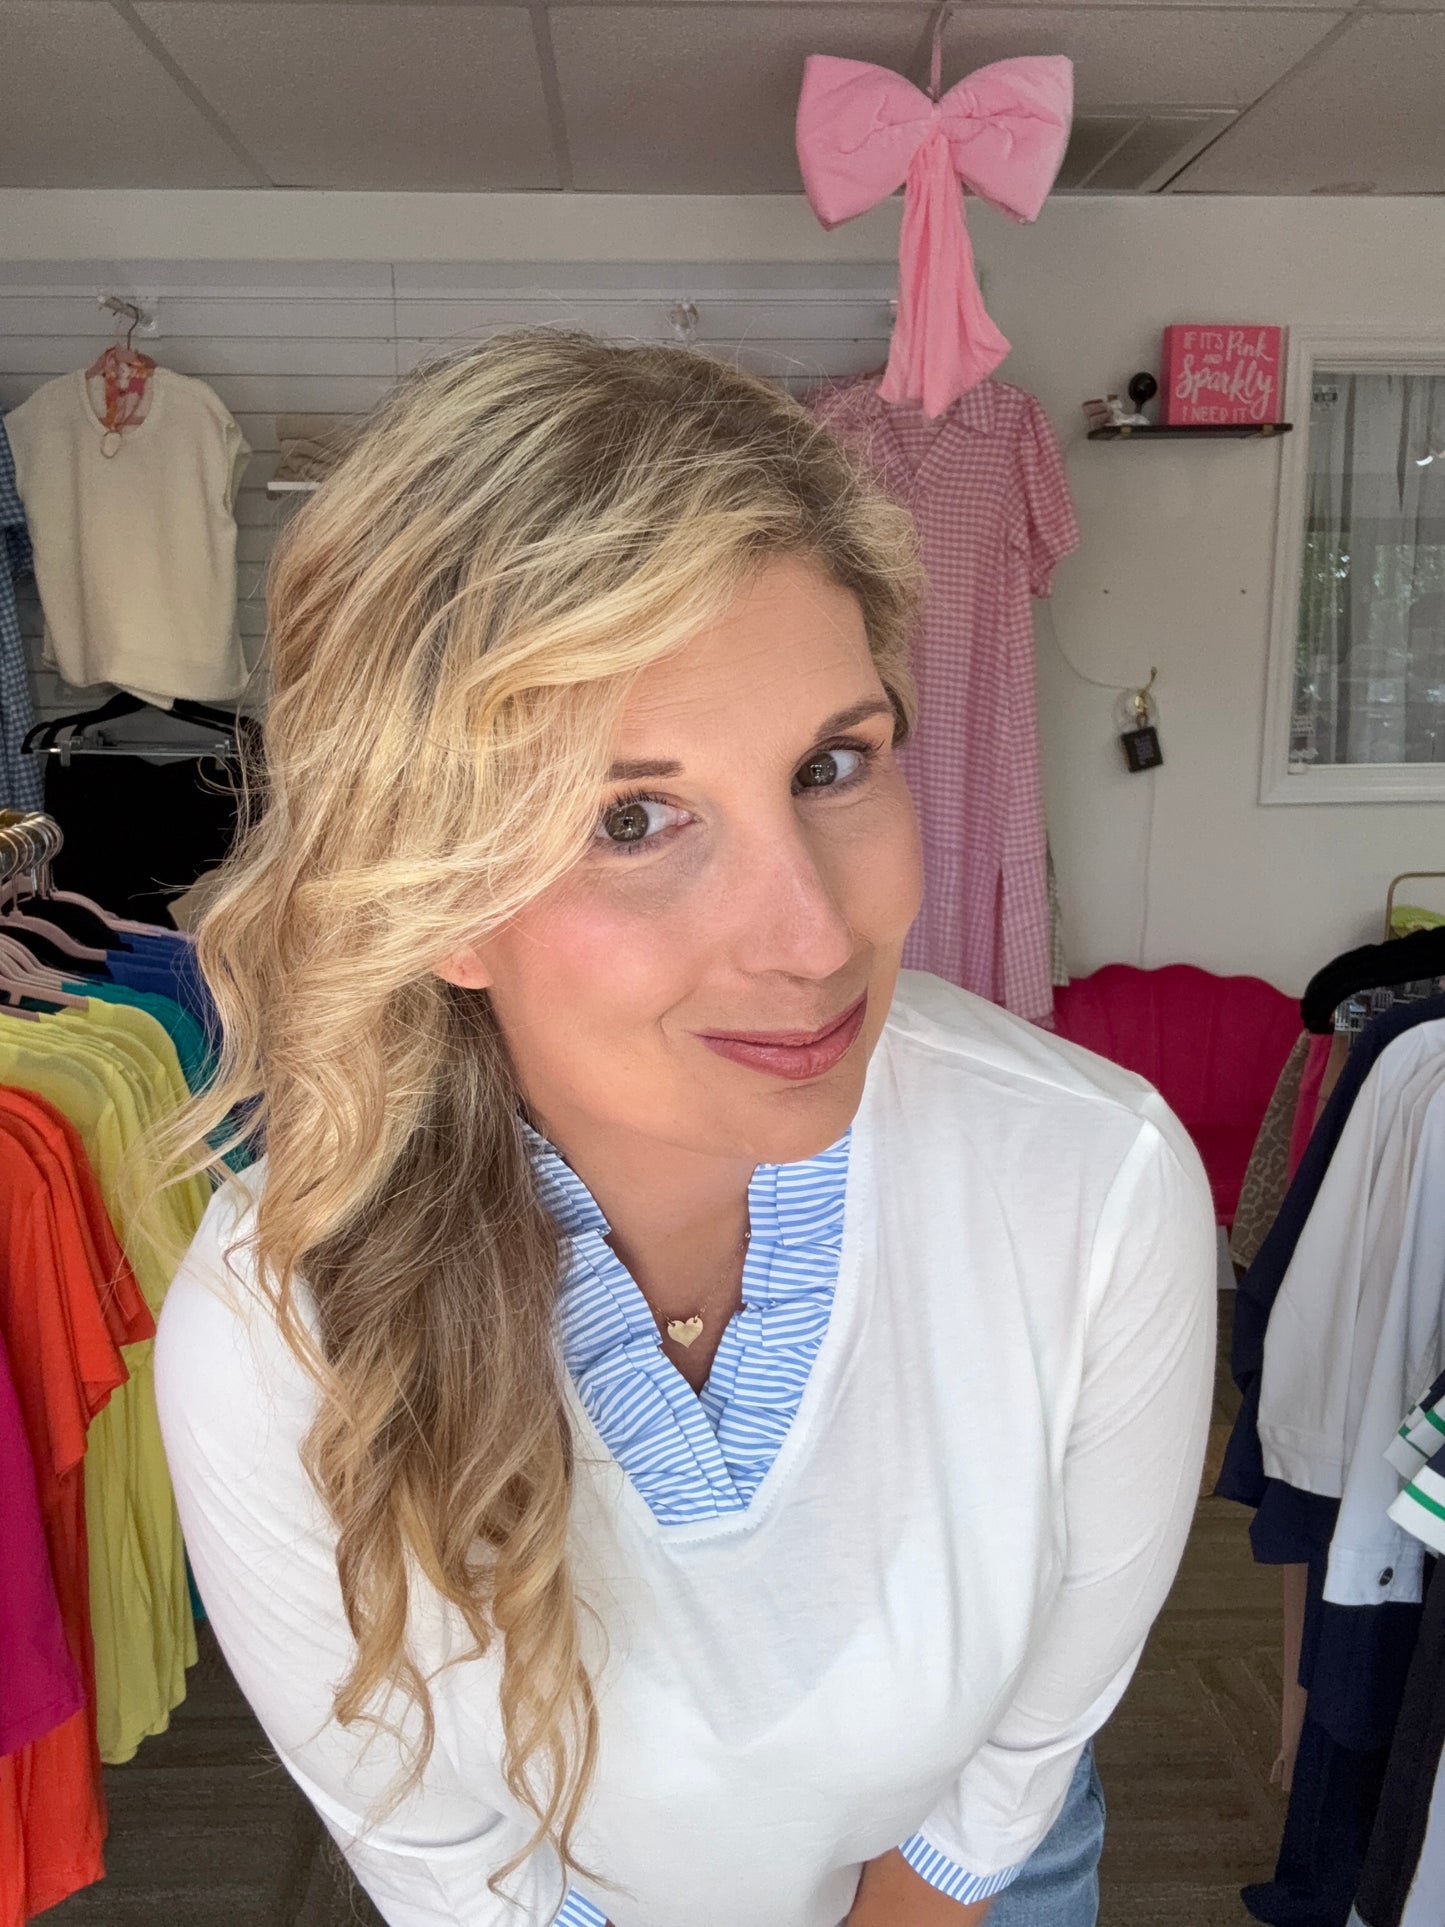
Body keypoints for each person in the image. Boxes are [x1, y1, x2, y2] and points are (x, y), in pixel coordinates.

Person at [152, 332, 1216, 1927]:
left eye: (832, 765)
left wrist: (926, 1896)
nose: (811, 935)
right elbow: (425, 1835)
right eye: (631, 818)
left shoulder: (1090, 1179)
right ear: (434, 896)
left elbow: (1061, 1669)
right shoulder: (279, 1316)